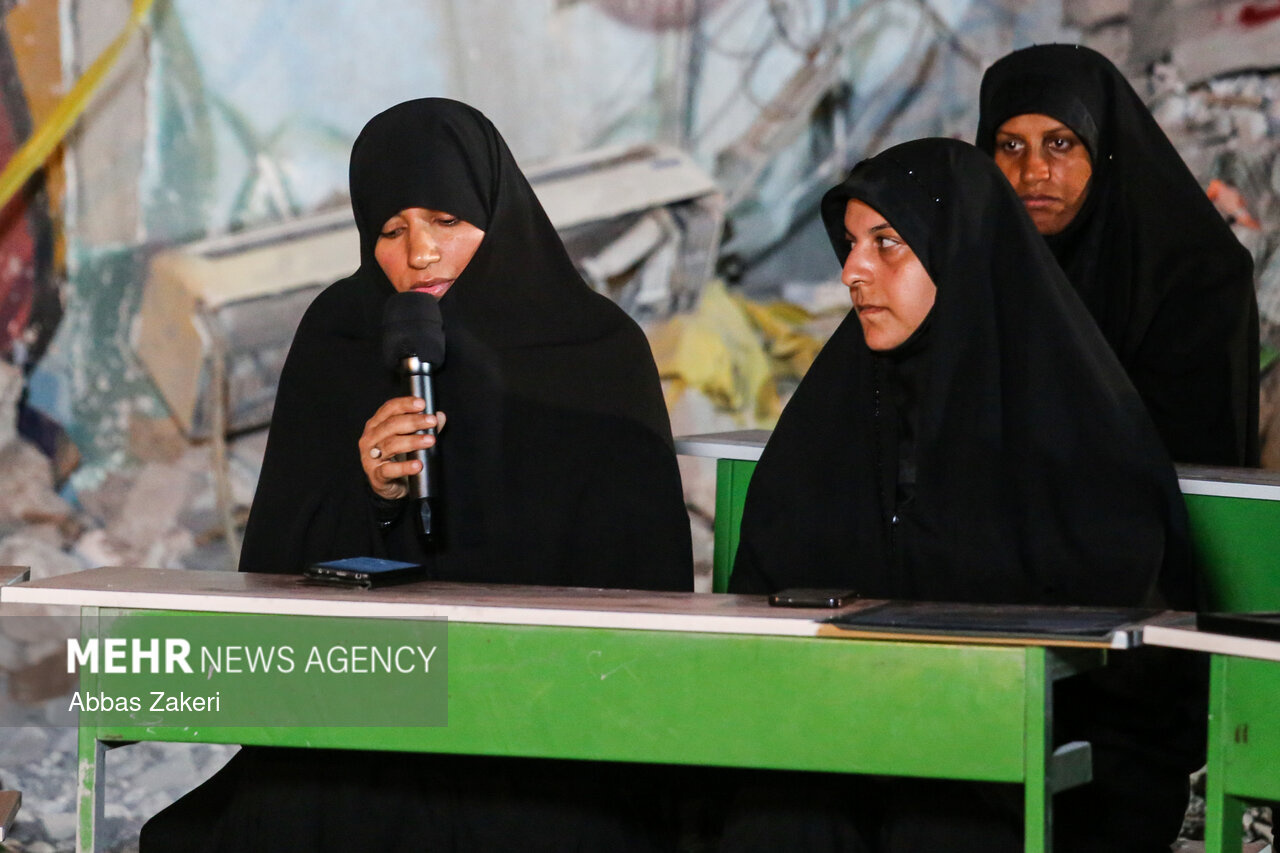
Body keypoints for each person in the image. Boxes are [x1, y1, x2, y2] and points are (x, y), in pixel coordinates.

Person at [141, 98, 693, 852]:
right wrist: (371, 493)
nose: (421, 253)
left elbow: (648, 587)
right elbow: (272, 570)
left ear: (494, 215)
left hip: (548, 714)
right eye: (391, 231)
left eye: (446, 220)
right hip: (375, 700)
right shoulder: (340, 336)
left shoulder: (597, 350)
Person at [723, 138, 1198, 851]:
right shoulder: (832, 417)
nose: (852, 271)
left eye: (887, 244)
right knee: (777, 822)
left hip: (1034, 749)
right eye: (851, 245)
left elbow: (1129, 679)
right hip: (849, 738)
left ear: (961, 253)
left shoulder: (1080, 428)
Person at [976, 43, 1260, 468]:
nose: (1033, 171)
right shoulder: (970, 271)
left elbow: (1190, 470)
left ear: (1102, 145)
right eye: (1011, 145)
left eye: (1059, 143)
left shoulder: (1198, 278)